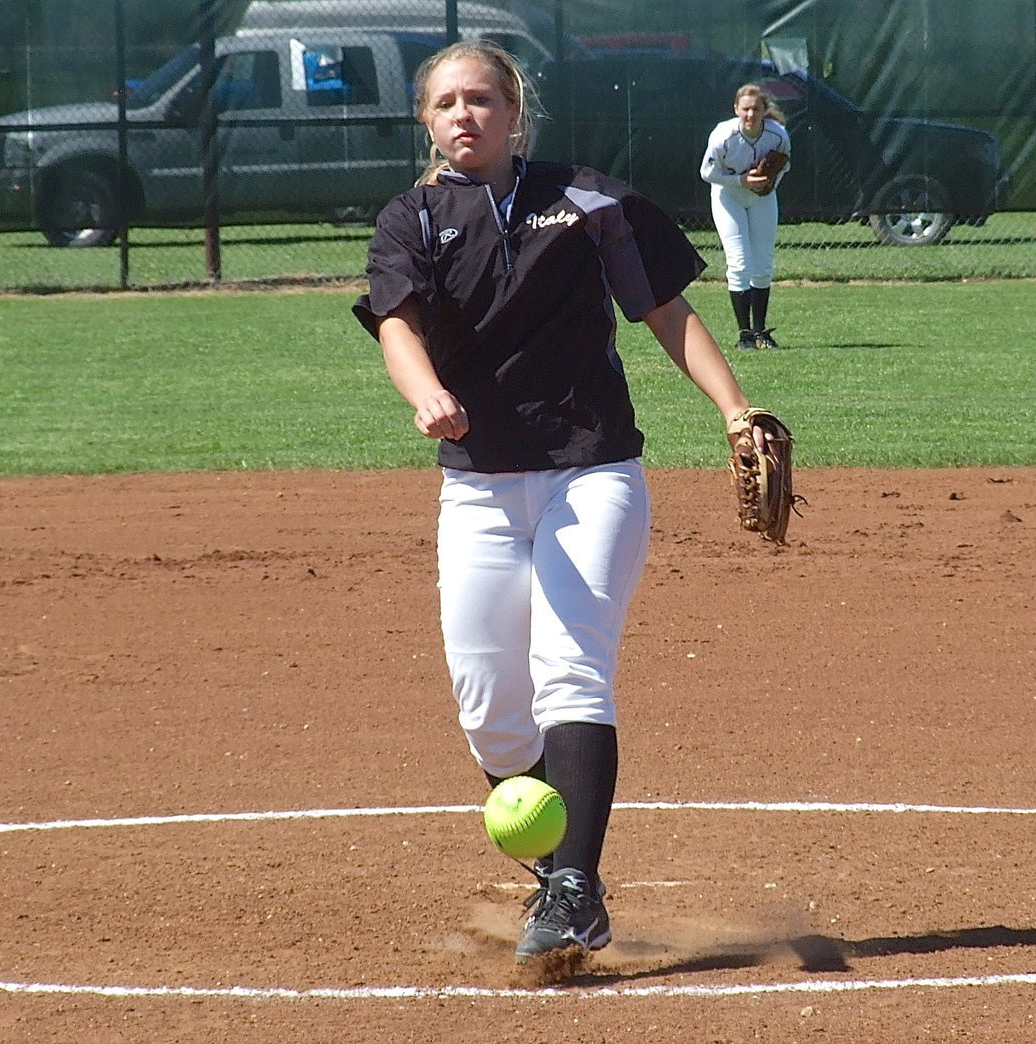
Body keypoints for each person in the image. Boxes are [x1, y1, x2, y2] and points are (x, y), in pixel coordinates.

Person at [351, 41, 758, 964]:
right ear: (426, 119)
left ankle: (574, 886)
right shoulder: (410, 217)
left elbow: (663, 308)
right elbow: (398, 326)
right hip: (478, 484)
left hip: (592, 469)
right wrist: (424, 395)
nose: (465, 115)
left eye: (482, 100)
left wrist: (735, 408)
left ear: (514, 111)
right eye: (447, 103)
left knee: (570, 668)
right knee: (490, 707)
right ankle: (558, 868)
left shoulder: (589, 198)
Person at [700, 83, 791, 351]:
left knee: (763, 265)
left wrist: (769, 183)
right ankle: (744, 336)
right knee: (739, 263)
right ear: (736, 109)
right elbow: (707, 173)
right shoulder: (723, 136)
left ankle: (761, 331)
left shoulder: (777, 134)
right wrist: (741, 180)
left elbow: (786, 164)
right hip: (729, 196)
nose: (750, 114)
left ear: (764, 110)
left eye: (756, 109)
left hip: (762, 197)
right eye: (746, 109)